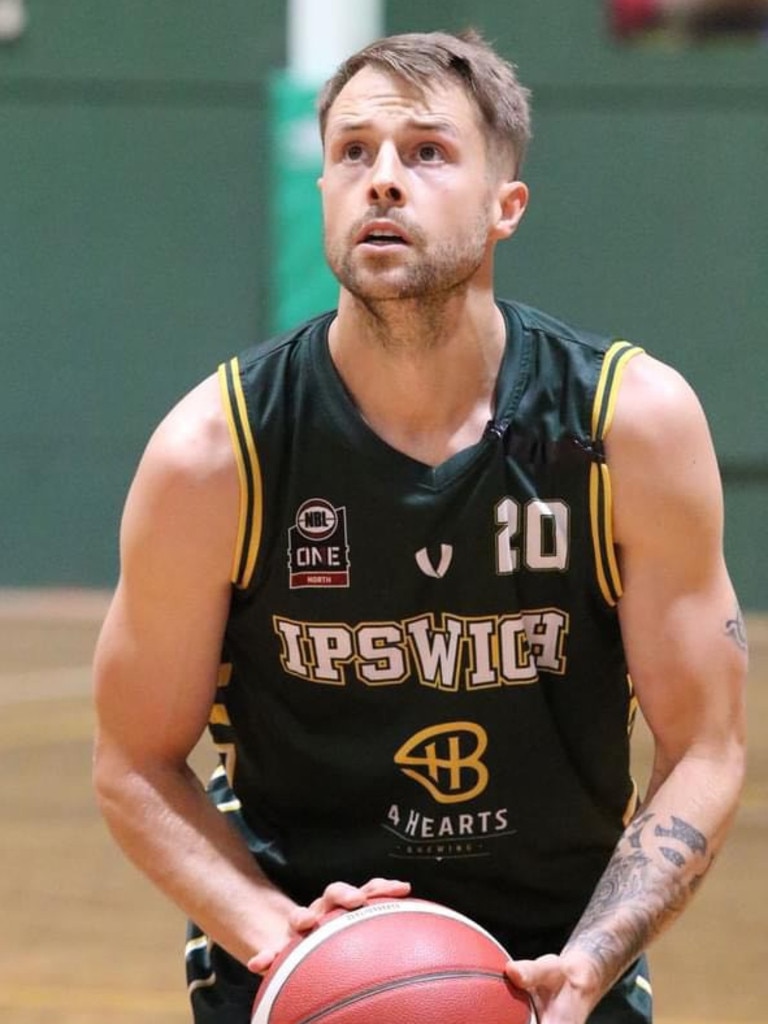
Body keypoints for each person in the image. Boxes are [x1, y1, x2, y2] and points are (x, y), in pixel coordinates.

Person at [92, 29, 747, 1024]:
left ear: (504, 207)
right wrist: (283, 937)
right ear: (321, 194)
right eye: (353, 153)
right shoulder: (215, 455)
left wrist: (600, 948)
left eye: (427, 152)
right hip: (294, 938)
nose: (382, 181)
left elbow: (705, 743)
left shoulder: (627, 427)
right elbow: (133, 760)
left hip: (558, 947)